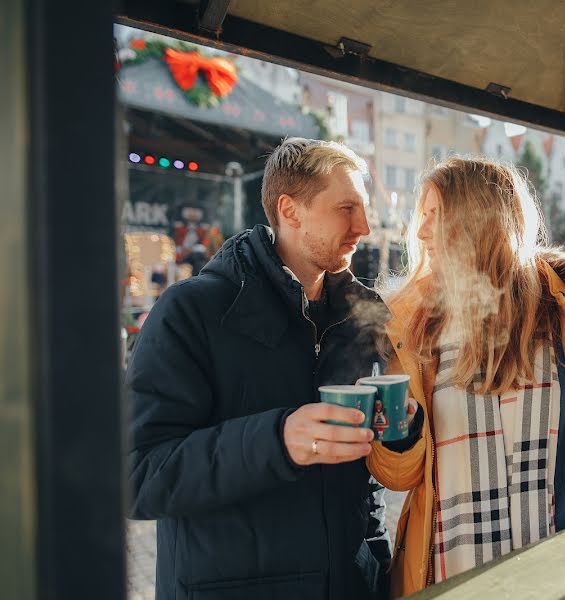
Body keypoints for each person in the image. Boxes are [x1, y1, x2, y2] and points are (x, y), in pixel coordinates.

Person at [127, 138, 393, 600]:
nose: (364, 227)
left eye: (364, 209)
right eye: (346, 208)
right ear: (290, 210)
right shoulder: (191, 311)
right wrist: (278, 439)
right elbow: (138, 475)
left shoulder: (360, 315)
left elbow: (363, 483)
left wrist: (399, 431)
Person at [366, 157, 565, 596]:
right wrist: (401, 436)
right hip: (451, 574)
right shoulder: (413, 324)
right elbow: (398, 477)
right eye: (422, 216)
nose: (420, 231)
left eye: (436, 215)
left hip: (564, 573)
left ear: (479, 218)